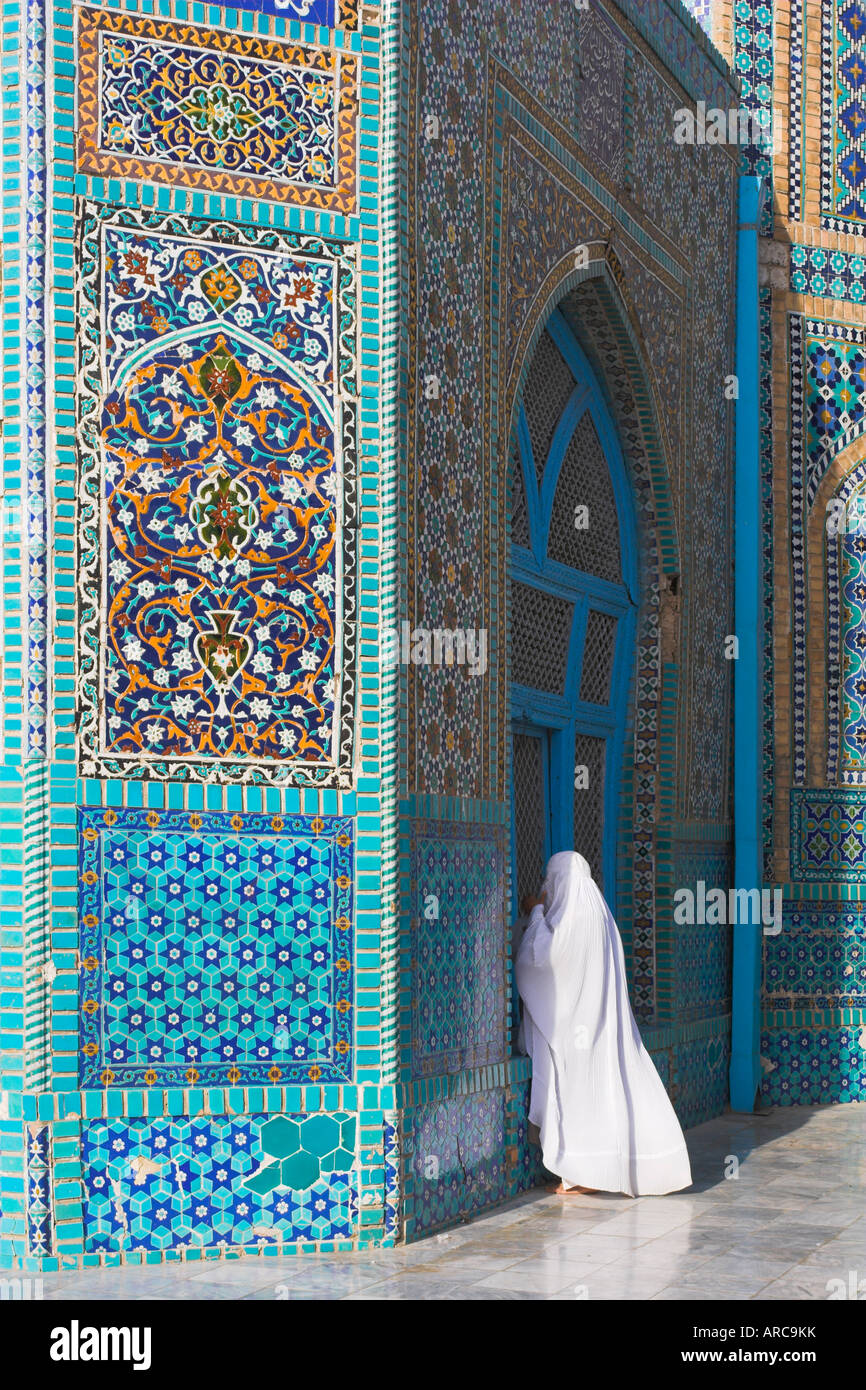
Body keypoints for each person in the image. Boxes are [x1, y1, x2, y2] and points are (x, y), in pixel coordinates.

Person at [516, 850, 692, 1197]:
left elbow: (539, 961)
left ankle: (582, 1172)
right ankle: (592, 1171)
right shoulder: (599, 913)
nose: (546, 890)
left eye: (549, 882)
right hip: (596, 1026)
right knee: (602, 1094)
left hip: (574, 1029)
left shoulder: (571, 918)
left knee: (580, 1095)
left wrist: (534, 911)